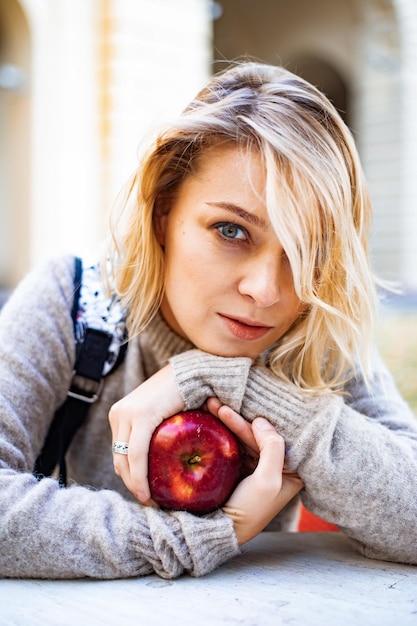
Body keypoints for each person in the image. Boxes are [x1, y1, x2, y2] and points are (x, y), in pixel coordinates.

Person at [1, 62, 416, 581]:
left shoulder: (314, 333)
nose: (265, 290)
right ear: (163, 215)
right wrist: (194, 538)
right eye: (231, 230)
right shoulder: (75, 304)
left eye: (305, 252)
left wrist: (216, 377)